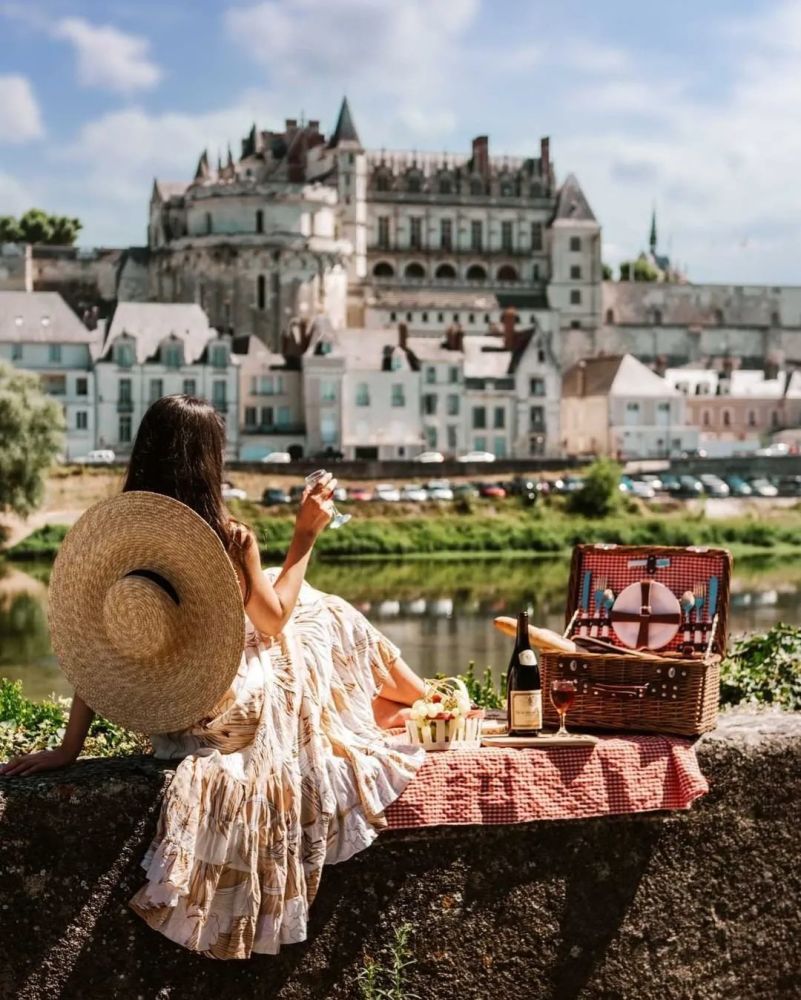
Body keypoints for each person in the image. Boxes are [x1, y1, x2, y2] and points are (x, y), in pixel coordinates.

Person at [0, 394, 427, 958]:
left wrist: (67, 748)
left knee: (292, 598)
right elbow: (272, 624)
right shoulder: (229, 535)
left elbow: (101, 650)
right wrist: (305, 538)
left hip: (176, 711)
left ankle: (401, 703)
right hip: (237, 708)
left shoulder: (122, 534)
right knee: (321, 611)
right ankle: (421, 699)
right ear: (209, 460)